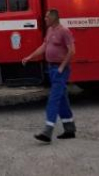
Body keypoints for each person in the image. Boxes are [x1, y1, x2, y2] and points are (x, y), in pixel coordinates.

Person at [22, 9, 75, 143]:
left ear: (53, 18)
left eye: (46, 17)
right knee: (62, 98)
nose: (44, 19)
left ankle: (48, 130)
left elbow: (72, 51)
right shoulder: (50, 31)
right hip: (51, 68)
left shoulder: (64, 31)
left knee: (53, 99)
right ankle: (69, 128)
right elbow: (44, 46)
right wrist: (30, 57)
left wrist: (62, 67)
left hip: (60, 70)